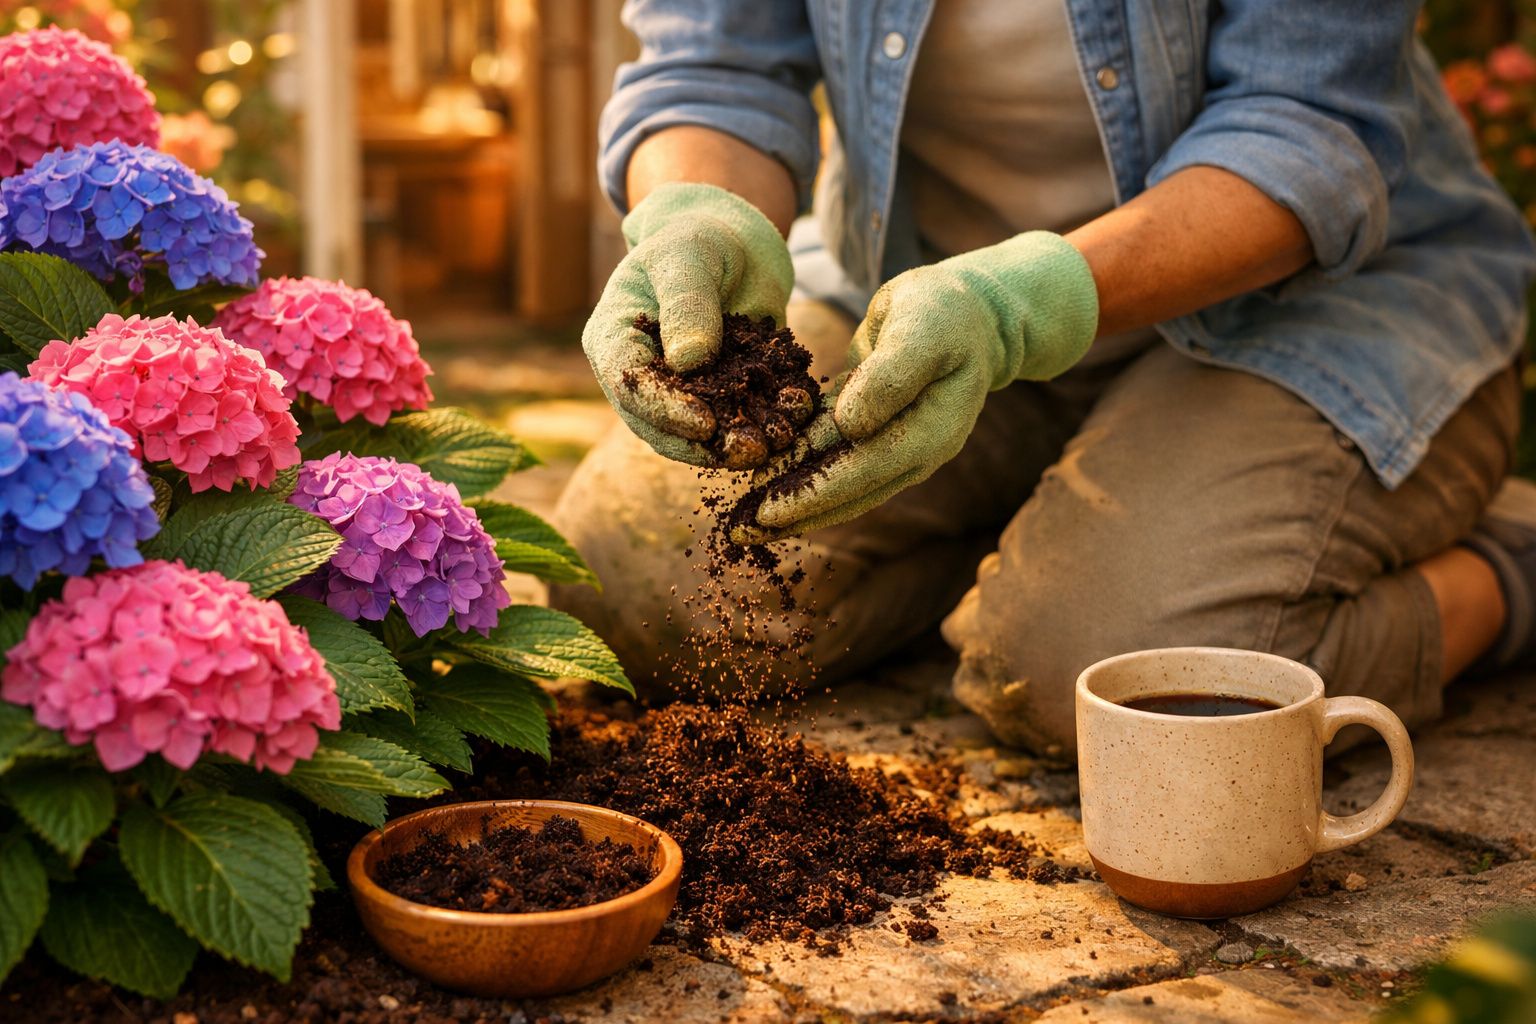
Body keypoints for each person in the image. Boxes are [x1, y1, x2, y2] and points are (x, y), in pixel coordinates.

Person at [550, 0, 1536, 757]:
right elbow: (714, 67)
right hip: (923, 300)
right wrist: (695, 217)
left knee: (1108, 683)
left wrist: (1020, 308)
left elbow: (1310, 125)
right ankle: (1063, 521)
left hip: (1299, 306)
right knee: (629, 584)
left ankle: (1506, 574)